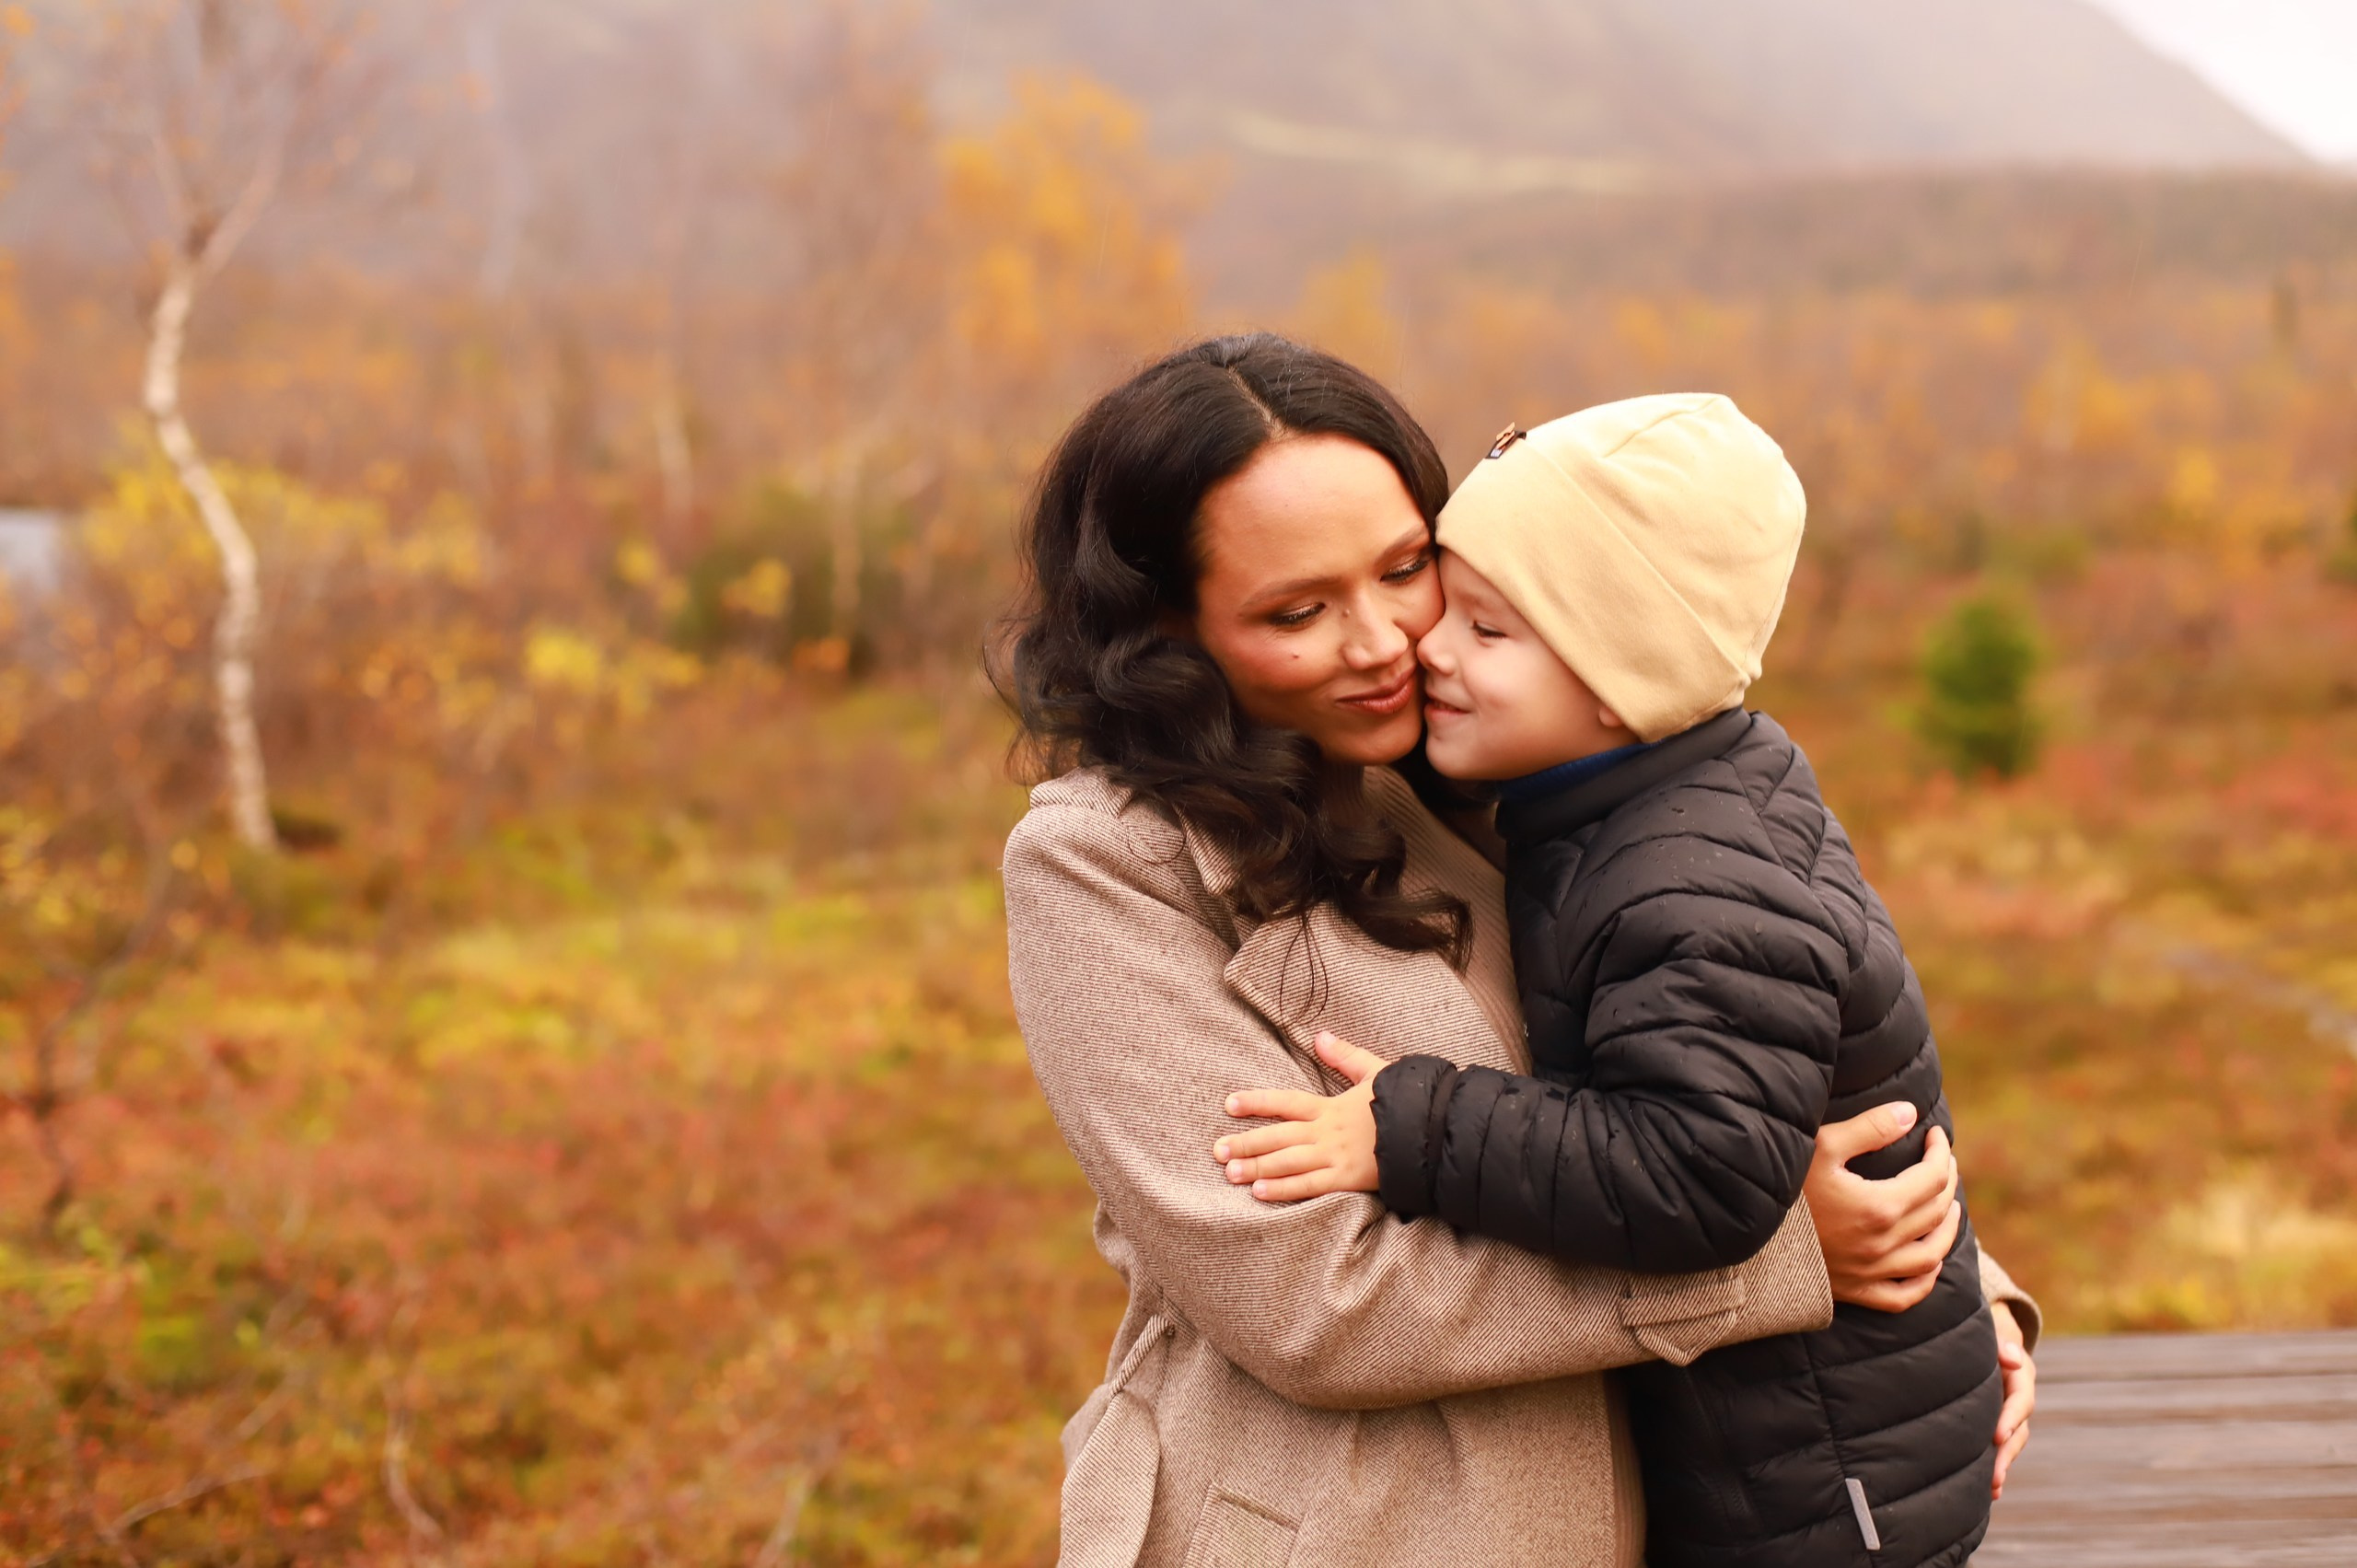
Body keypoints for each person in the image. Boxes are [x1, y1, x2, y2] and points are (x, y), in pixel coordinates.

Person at [999, 336, 2036, 1568]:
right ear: (1169, 633)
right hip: (1349, 1530)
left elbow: (1760, 1062)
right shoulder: (1110, 865)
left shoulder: (1516, 761)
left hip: (1658, 1507)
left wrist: (1950, 1307)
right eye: (1298, 611)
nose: (1387, 640)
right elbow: (1312, 1302)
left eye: (1405, 569)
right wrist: (1784, 1262)